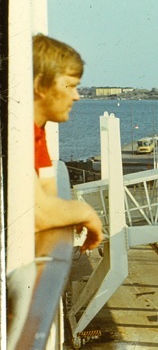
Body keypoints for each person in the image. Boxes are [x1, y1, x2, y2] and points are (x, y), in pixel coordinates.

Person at [33, 34, 103, 252]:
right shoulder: (17, 135)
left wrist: (62, 211)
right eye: (70, 86)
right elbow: (37, 213)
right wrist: (85, 213)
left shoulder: (36, 131)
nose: (76, 96)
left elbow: (47, 191)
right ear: (40, 85)